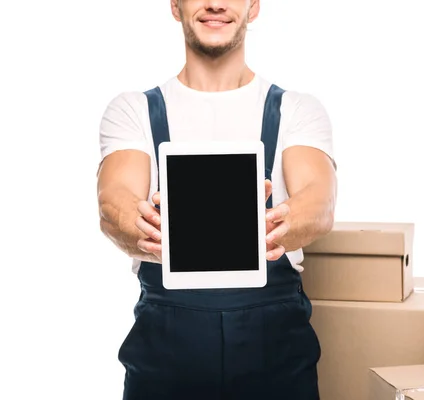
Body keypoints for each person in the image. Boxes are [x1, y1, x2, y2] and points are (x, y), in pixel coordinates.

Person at [96, 0, 337, 399]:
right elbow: (114, 201)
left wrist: (281, 223)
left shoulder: (296, 109)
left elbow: (320, 201)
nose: (215, 4)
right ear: (175, 5)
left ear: (254, 7)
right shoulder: (133, 109)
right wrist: (142, 229)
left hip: (274, 341)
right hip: (166, 344)